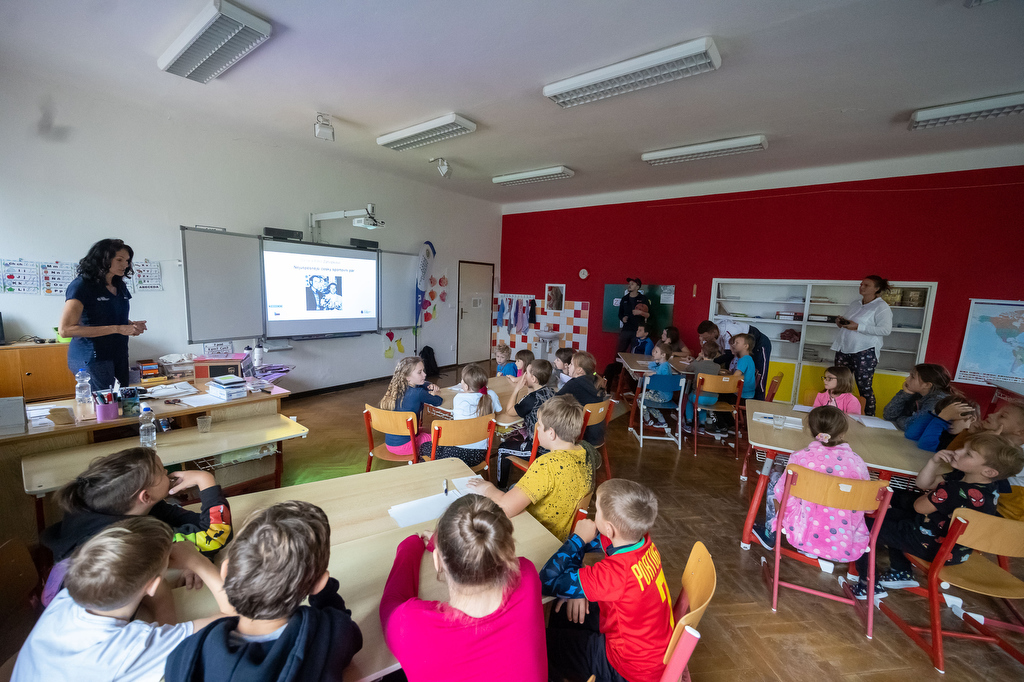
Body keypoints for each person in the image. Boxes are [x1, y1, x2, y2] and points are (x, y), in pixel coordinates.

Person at [13, 516, 232, 682]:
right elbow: (236, 617)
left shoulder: (67, 598)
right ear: (151, 584)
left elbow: (157, 589)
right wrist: (198, 562)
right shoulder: (133, 646)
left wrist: (165, 629)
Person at [165, 501, 363, 682]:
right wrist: (324, 595)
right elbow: (350, 635)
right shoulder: (331, 633)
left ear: (225, 572)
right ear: (318, 584)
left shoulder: (184, 655)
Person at [380, 495, 547, 682]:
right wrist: (451, 545)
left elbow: (390, 604)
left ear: (437, 561)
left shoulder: (410, 625)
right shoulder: (527, 575)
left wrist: (411, 545)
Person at [41, 447, 232, 606]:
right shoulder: (128, 536)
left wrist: (196, 551)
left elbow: (196, 527)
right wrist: (205, 480)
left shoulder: (100, 503)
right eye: (162, 472)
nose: (167, 473)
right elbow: (215, 536)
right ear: (145, 496)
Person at [848, 432, 1024, 600]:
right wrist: (934, 462)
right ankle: (900, 572)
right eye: (963, 447)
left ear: (989, 472)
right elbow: (923, 483)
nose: (958, 451)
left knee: (863, 528)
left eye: (968, 453)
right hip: (954, 550)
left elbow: (919, 507)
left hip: (931, 546)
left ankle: (868, 584)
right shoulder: (989, 489)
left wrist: (935, 493)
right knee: (888, 517)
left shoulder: (954, 489)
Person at [539, 479, 673, 682]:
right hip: (649, 647)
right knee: (561, 612)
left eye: (597, 511)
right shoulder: (641, 539)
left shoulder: (615, 574)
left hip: (627, 668)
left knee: (540, 644)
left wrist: (577, 538)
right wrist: (576, 589)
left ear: (609, 529)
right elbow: (587, 546)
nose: (594, 516)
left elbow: (545, 581)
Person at [468, 395, 596, 542]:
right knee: (513, 488)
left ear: (551, 433)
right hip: (561, 535)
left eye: (539, 425)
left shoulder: (547, 465)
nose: (537, 429)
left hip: (537, 536)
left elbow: (505, 508)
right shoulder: (586, 452)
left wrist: (486, 488)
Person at [752, 406, 871, 561]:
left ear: (811, 430)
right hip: (844, 538)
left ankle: (770, 533)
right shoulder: (857, 463)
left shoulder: (799, 458)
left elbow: (781, 493)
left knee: (774, 482)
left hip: (802, 530)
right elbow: (867, 503)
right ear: (843, 433)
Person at [59, 238, 146, 391]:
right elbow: (65, 330)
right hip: (92, 356)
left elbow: (107, 316)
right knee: (105, 403)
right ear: (102, 259)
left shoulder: (119, 285)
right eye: (119, 259)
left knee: (124, 401)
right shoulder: (81, 286)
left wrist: (130, 325)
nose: (125, 265)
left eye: (127, 261)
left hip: (118, 353)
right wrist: (118, 328)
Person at [831, 275, 893, 416]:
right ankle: (838, 413)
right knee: (839, 383)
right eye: (861, 284)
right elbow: (850, 324)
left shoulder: (881, 306)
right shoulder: (855, 304)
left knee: (864, 387)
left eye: (866, 285)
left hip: (864, 351)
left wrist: (859, 327)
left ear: (877, 289)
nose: (862, 287)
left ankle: (868, 417)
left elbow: (885, 330)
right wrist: (841, 323)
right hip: (844, 348)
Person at [420, 363, 502, 466]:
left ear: (466, 386)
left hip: (456, 455)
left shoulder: (459, 398)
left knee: (423, 447)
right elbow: (499, 411)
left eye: (462, 380)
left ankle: (436, 472)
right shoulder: (491, 394)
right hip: (479, 455)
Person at [495, 359, 556, 489]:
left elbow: (510, 411)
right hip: (552, 443)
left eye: (526, 373)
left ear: (533, 378)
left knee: (502, 448)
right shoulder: (551, 392)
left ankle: (502, 488)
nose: (524, 375)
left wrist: (517, 389)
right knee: (513, 436)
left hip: (539, 449)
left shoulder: (531, 399)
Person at [380, 356, 442, 458]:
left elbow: (422, 384)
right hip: (407, 445)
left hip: (390, 445)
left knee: (424, 430)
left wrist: (428, 385)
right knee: (441, 437)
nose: (425, 374)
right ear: (407, 377)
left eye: (423, 371)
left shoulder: (396, 389)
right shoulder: (418, 393)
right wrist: (436, 393)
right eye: (420, 372)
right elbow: (438, 401)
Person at [697, 319, 772, 400]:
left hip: (759, 343)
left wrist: (711, 362)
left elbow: (729, 355)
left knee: (760, 375)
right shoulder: (714, 332)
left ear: (714, 332)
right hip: (745, 349)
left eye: (706, 337)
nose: (704, 339)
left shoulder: (730, 333)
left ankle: (759, 402)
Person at [882, 363, 953, 432]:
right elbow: (888, 415)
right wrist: (905, 394)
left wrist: (899, 419)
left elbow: (914, 426)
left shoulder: (937, 400)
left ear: (927, 385)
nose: (907, 379)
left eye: (912, 377)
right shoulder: (916, 393)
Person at [557, 351, 608, 446]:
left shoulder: (575, 383)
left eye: (571, 364)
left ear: (579, 370)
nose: (568, 366)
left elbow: (554, 400)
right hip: (598, 436)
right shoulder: (595, 380)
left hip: (583, 437)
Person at [905, 395, 980, 451]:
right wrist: (934, 414)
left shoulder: (968, 441)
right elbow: (911, 435)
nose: (948, 423)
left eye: (953, 420)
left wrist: (940, 420)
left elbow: (926, 446)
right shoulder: (945, 431)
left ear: (972, 419)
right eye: (946, 419)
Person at [682, 342, 723, 435]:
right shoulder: (717, 367)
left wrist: (698, 358)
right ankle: (702, 425)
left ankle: (689, 422)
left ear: (702, 352)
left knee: (690, 400)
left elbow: (688, 369)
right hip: (713, 399)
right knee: (703, 404)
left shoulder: (697, 364)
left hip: (698, 396)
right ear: (716, 354)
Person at [639, 341, 674, 429]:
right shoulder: (665, 364)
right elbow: (653, 367)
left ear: (663, 355)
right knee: (648, 402)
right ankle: (661, 420)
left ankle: (647, 419)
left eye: (656, 352)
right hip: (664, 395)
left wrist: (651, 374)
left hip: (662, 395)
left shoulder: (664, 367)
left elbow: (663, 377)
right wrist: (655, 363)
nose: (654, 353)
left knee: (640, 398)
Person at [616, 277, 652, 353]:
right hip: (626, 329)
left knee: (634, 352)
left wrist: (640, 313)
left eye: (632, 284)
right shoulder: (624, 299)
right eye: (629, 284)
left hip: (637, 330)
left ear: (637, 287)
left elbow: (649, 315)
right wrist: (623, 318)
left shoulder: (643, 298)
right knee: (619, 352)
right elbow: (620, 313)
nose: (629, 285)